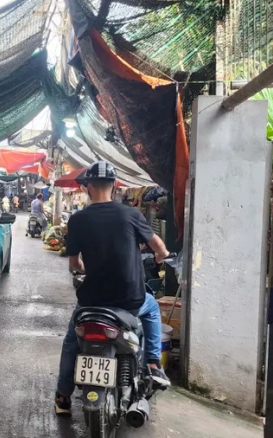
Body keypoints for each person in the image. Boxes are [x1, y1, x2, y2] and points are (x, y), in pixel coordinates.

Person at [54, 160, 171, 416]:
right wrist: (160, 257)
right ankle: (153, 363)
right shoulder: (132, 215)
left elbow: (74, 264)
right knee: (152, 308)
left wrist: (82, 268)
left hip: (92, 301)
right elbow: (160, 248)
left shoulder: (77, 219)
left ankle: (63, 396)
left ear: (88, 187)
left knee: (72, 340)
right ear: (115, 186)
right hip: (130, 299)